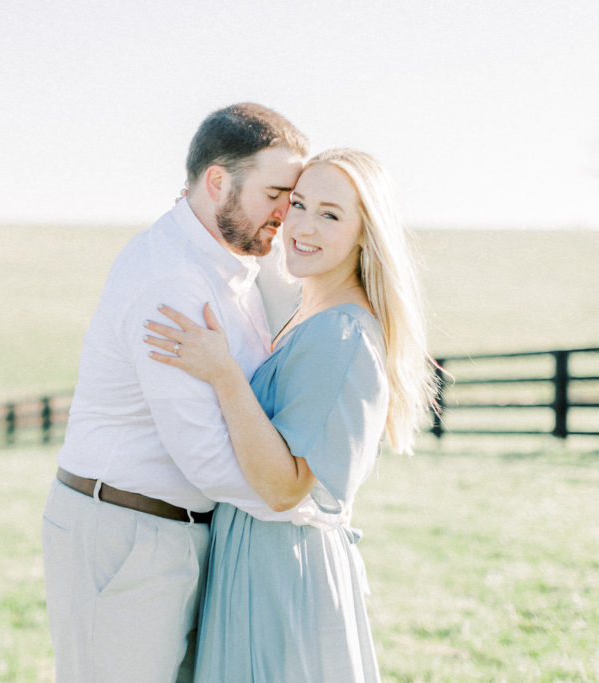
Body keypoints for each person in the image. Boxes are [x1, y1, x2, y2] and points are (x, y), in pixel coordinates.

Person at [143, 148, 437, 681]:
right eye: (298, 204)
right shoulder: (313, 317)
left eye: (330, 214)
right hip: (265, 560)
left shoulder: (339, 335)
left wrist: (225, 374)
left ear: (365, 235)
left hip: (283, 571)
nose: (301, 225)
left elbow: (285, 487)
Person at [41, 103, 308, 681]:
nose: (287, 213)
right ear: (218, 181)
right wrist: (303, 505)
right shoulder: (170, 279)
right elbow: (206, 457)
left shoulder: (236, 265)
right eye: (274, 193)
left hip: (184, 533)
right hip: (122, 531)